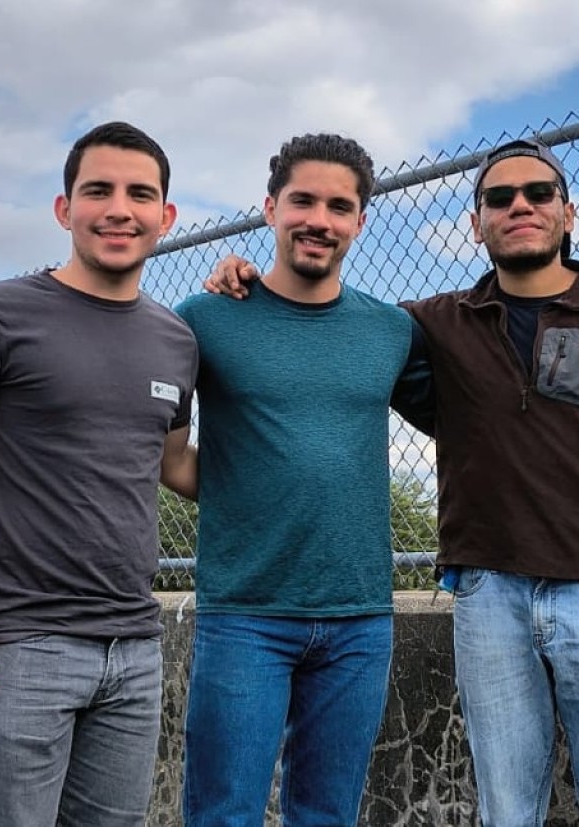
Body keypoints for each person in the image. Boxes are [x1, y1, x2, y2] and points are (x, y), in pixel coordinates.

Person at [207, 137, 579, 826]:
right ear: (476, 223)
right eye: (498, 198)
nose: (519, 206)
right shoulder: (431, 325)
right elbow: (328, 321)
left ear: (569, 213)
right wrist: (243, 280)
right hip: (487, 593)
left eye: (538, 194)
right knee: (505, 808)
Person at [0, 121, 198, 827]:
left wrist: (299, 461)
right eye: (97, 190)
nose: (118, 209)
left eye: (140, 194)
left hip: (133, 646)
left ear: (165, 216)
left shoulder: (177, 339)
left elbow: (176, 464)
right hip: (17, 643)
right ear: (64, 208)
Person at [175, 133, 430, 827]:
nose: (320, 218)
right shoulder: (205, 319)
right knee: (223, 813)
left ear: (360, 221)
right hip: (244, 614)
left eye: (339, 206)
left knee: (326, 815)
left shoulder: (391, 331)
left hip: (359, 617)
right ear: (269, 208)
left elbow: (483, 411)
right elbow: (164, 454)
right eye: (303, 200)